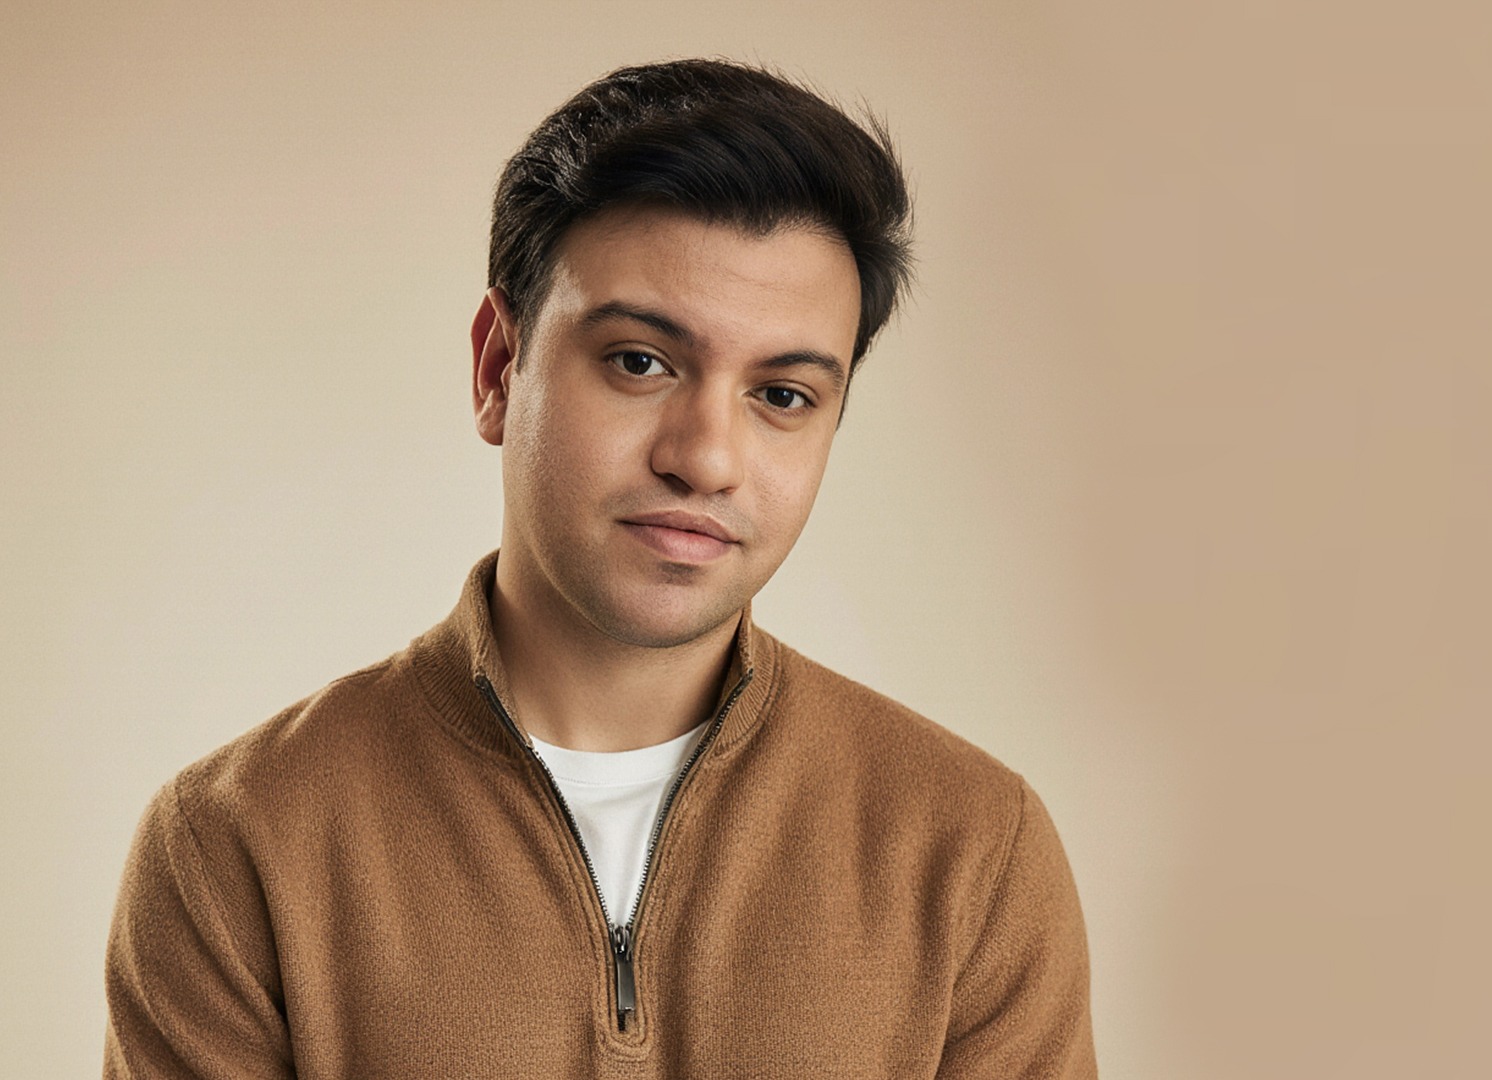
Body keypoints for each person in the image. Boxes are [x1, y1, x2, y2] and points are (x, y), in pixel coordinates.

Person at [102, 59, 1095, 1078]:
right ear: (499, 367)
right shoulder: (237, 844)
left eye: (783, 395)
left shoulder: (971, 852)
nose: (705, 457)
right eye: (639, 361)